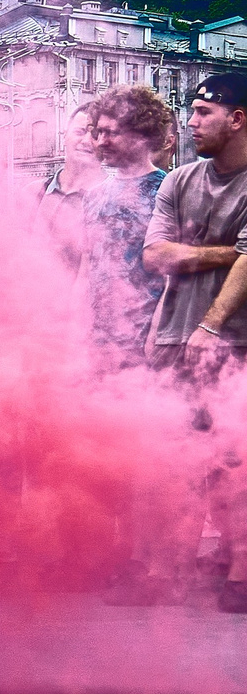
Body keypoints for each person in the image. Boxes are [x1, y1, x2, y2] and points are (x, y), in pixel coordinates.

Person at [131, 74, 247, 609]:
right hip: (175, 334)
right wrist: (229, 253)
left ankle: (240, 572)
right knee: (172, 456)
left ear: (237, 118)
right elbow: (155, 255)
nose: (191, 123)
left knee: (233, 457)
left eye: (202, 113)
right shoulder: (179, 181)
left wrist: (212, 326)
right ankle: (165, 570)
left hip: (236, 342)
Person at [74, 85, 174, 368]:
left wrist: (158, 333)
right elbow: (86, 267)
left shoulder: (168, 190)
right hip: (95, 342)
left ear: (142, 135)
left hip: (142, 341)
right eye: (99, 132)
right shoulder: (94, 196)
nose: (101, 141)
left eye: (112, 133)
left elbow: (174, 276)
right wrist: (72, 321)